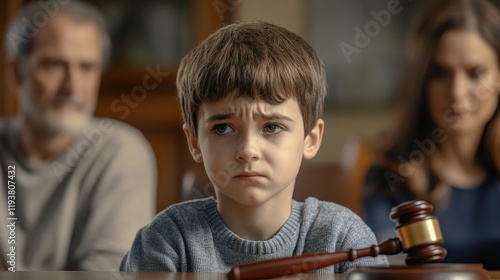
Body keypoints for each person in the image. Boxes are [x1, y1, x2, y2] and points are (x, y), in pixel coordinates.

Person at [120, 21, 388, 274]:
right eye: (223, 128)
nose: (247, 150)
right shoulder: (166, 240)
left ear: (311, 139)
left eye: (271, 127)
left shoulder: (345, 238)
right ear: (194, 142)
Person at [0, 1, 156, 271]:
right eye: (55, 65)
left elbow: (108, 274)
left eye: (86, 67)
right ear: (17, 72)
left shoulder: (120, 151)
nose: (72, 86)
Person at [362, 0, 500, 270]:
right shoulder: (390, 176)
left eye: (476, 72)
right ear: (421, 81)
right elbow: (390, 270)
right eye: (440, 72)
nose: (457, 92)